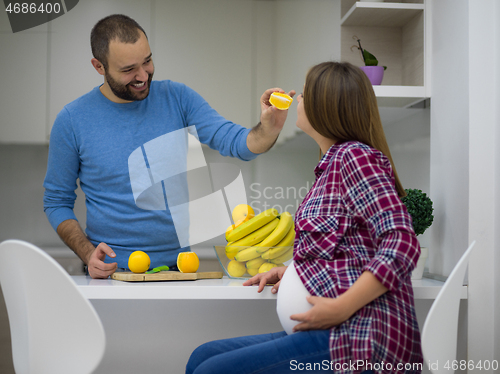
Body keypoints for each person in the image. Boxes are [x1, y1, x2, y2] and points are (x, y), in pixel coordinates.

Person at [185, 62, 423, 374]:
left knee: (210, 371)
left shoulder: (354, 157)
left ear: (326, 107)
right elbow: (347, 248)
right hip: (325, 333)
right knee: (202, 357)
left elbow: (402, 242)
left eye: (305, 95)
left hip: (355, 338)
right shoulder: (331, 166)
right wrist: (294, 271)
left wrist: (341, 308)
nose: (298, 99)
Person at [43, 14, 295, 279]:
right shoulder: (72, 120)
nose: (143, 75)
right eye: (129, 69)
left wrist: (270, 127)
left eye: (148, 61)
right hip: (110, 273)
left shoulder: (178, 98)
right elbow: (56, 201)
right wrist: (86, 252)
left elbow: (237, 143)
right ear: (99, 66)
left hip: (180, 269)